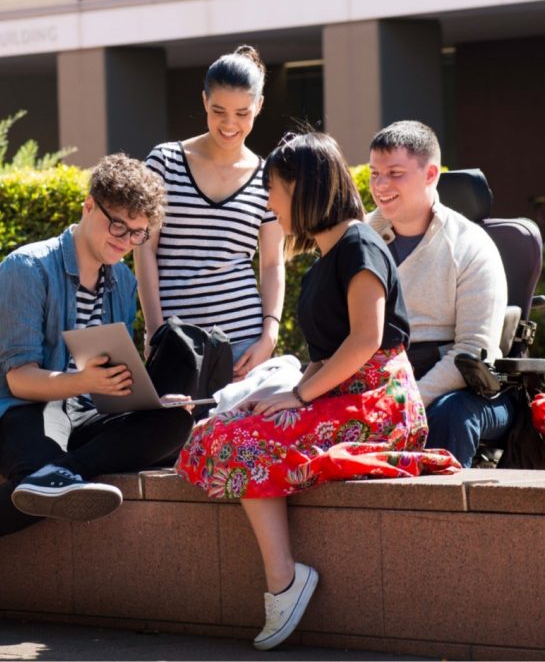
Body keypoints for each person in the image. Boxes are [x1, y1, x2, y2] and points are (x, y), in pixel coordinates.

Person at [175, 131, 460, 651]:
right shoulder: (331, 253)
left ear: (303, 188)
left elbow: (367, 341)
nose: (269, 202)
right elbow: (328, 355)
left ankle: (284, 581)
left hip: (377, 404)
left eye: (275, 190)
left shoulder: (359, 245)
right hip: (339, 393)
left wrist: (299, 399)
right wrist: (287, 393)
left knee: (242, 443)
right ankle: (285, 577)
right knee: (215, 430)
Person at [0, 152, 193, 625]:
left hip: (79, 415)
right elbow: (19, 379)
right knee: (39, 449)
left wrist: (145, 399)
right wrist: (86, 383)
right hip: (15, 410)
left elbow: (106, 376)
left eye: (139, 234)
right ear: (89, 207)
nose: (127, 242)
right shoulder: (26, 270)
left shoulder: (122, 281)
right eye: (119, 228)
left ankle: (58, 477)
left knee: (173, 421)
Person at [367, 120, 518, 467]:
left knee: (449, 416)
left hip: (459, 385)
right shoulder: (360, 237)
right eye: (375, 173)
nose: (380, 185)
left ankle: (434, 521)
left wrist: (405, 401)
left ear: (430, 173)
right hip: (378, 373)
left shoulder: (471, 246)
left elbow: (471, 353)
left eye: (394, 173)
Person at [135, 44, 285, 380]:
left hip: (243, 344)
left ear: (259, 106)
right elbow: (144, 247)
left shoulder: (268, 178)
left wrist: (268, 336)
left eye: (242, 113)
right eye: (218, 111)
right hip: (175, 340)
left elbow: (273, 263)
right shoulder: (164, 161)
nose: (229, 124)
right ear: (204, 101)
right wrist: (155, 328)